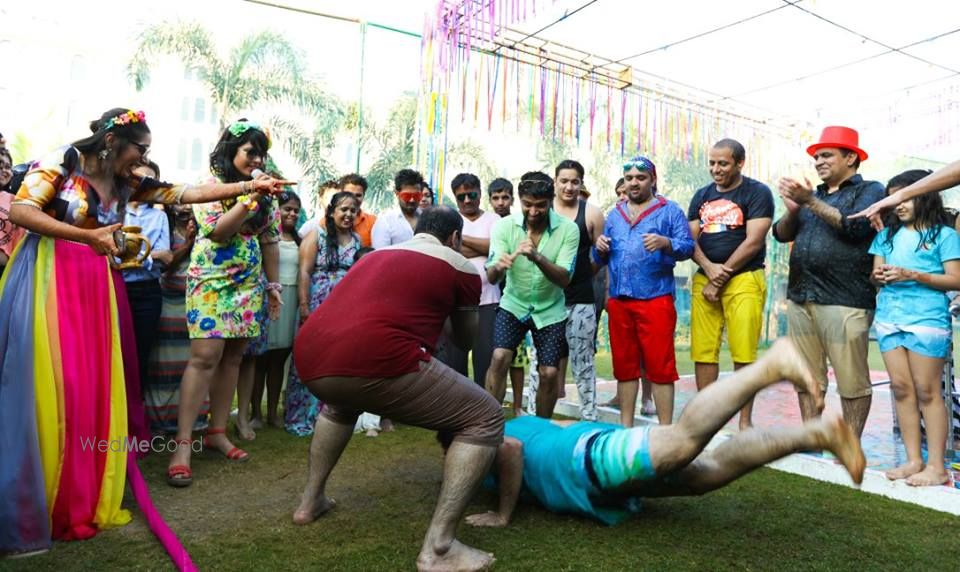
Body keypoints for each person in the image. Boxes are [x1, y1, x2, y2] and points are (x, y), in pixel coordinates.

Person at [0, 108, 289, 555]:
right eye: (140, 150)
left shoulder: (127, 182)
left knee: (89, 390)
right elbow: (20, 210)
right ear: (114, 143)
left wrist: (251, 185)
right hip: (49, 279)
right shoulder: (65, 160)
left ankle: (77, 496)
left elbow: (185, 192)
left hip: (96, 284)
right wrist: (86, 237)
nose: (143, 160)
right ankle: (35, 497)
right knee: (51, 384)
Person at [291, 206, 502, 572]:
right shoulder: (461, 265)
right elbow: (465, 340)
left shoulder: (376, 254)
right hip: (376, 356)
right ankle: (439, 548)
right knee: (485, 416)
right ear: (455, 239)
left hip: (311, 353)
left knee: (342, 403)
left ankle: (310, 502)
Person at [461, 339, 865, 528]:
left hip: (583, 461)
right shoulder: (517, 420)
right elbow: (558, 426)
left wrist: (501, 513)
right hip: (586, 459)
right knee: (704, 475)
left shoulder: (490, 438)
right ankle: (817, 433)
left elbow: (511, 450)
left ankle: (771, 365)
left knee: (683, 442)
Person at [167, 119, 285, 487]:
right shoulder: (211, 186)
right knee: (204, 358)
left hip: (248, 281)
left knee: (234, 357)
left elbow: (270, 239)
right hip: (212, 279)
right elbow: (219, 230)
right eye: (250, 152)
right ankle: (183, 444)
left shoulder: (269, 190)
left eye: (261, 153)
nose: (257, 159)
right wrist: (252, 196)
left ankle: (217, 431)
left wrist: (274, 285)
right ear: (230, 150)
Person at [774, 126, 886, 439]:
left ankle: (849, 445)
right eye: (816, 157)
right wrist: (795, 210)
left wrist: (809, 200)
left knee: (852, 381)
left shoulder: (872, 191)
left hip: (846, 298)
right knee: (806, 378)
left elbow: (854, 228)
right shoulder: (814, 198)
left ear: (851, 157)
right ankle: (811, 441)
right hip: (801, 297)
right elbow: (782, 234)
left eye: (826, 155)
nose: (818, 161)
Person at [869, 169, 959, 486]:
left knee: (928, 392)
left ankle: (936, 467)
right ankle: (912, 461)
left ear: (926, 196)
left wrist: (913, 274)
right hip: (889, 318)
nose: (898, 204)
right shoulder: (885, 236)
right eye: (894, 198)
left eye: (905, 196)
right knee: (902, 390)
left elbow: (956, 279)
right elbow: (874, 275)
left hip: (927, 321)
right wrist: (878, 277)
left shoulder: (945, 236)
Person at [595, 156, 694, 427]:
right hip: (620, 300)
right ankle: (626, 426)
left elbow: (688, 247)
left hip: (655, 298)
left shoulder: (669, 211)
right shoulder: (614, 215)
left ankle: (665, 430)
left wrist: (666, 242)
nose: (634, 183)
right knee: (625, 367)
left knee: (660, 366)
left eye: (640, 178)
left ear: (653, 180)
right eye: (629, 179)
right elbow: (600, 258)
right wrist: (599, 247)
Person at [687, 139, 774, 430]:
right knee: (703, 351)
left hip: (744, 279)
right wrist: (710, 270)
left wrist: (721, 276)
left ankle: (745, 422)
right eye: (712, 163)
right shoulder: (701, 195)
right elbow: (691, 239)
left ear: (739, 163)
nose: (715, 169)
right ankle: (705, 419)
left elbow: (754, 241)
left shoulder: (757, 192)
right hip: (704, 280)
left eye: (722, 163)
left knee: (744, 353)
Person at [485, 171, 580, 418]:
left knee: (549, 373)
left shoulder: (568, 230)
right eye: (527, 205)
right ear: (520, 201)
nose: (533, 211)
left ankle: (541, 429)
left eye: (540, 205)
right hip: (514, 304)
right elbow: (492, 276)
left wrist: (536, 256)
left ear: (551, 201)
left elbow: (565, 279)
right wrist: (498, 267)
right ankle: (488, 421)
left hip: (550, 310)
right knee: (499, 356)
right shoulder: (504, 227)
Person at [527, 160, 605, 421]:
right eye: (564, 181)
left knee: (583, 361)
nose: (569, 187)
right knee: (540, 362)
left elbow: (599, 256)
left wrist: (580, 276)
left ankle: (589, 417)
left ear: (581, 183)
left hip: (581, 298)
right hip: (547, 301)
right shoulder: (542, 212)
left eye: (575, 181)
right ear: (555, 182)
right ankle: (534, 418)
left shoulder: (592, 213)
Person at [284, 191, 362, 436]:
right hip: (317, 305)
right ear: (331, 211)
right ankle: (299, 415)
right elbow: (304, 272)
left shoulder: (357, 241)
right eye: (343, 209)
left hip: (344, 309)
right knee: (307, 360)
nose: (348, 215)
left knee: (335, 361)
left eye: (353, 210)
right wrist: (305, 306)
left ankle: (327, 416)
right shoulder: (315, 235)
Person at [143, 204, 209, 435]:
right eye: (179, 204)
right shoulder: (165, 229)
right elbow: (165, 264)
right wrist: (188, 245)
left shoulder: (206, 229)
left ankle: (193, 420)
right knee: (162, 367)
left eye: (189, 206)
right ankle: (160, 421)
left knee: (189, 366)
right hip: (167, 304)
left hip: (194, 307)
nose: (184, 209)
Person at [123, 160, 173, 402]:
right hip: (117, 288)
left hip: (148, 293)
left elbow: (167, 256)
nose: (142, 185)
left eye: (149, 181)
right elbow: (111, 252)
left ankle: (135, 415)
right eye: (138, 178)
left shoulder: (159, 217)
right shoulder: (115, 211)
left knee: (141, 354)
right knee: (114, 351)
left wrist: (129, 255)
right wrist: (150, 255)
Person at [252, 190, 302, 429]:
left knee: (279, 357)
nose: (291, 213)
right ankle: (255, 414)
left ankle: (273, 413)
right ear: (276, 211)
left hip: (290, 298)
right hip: (268, 297)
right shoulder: (266, 235)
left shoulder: (301, 239)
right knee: (260, 358)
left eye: (295, 210)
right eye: (287, 209)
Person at [451, 172, 501, 386]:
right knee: (455, 361)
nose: (467, 200)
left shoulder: (494, 219)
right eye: (461, 197)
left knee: (485, 359)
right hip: (455, 301)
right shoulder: (450, 218)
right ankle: (456, 411)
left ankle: (482, 409)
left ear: (480, 194)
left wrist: (462, 240)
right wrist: (484, 247)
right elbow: (449, 249)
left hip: (488, 300)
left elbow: (497, 249)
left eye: (472, 194)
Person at [488, 177, 528, 413]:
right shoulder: (489, 223)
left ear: (513, 199)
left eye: (505, 197)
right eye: (496, 198)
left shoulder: (522, 223)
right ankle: (492, 409)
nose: (501, 202)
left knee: (518, 358)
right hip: (492, 297)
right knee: (498, 356)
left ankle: (518, 407)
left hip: (518, 299)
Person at [854, 158, 960, 228]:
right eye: (893, 202)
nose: (898, 206)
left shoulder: (949, 227)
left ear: (927, 196)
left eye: (905, 199)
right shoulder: (890, 233)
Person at [371, 168, 425, 249]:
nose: (412, 200)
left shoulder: (426, 218)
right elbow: (380, 255)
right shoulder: (385, 222)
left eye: (416, 196)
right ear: (397, 193)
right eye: (407, 196)